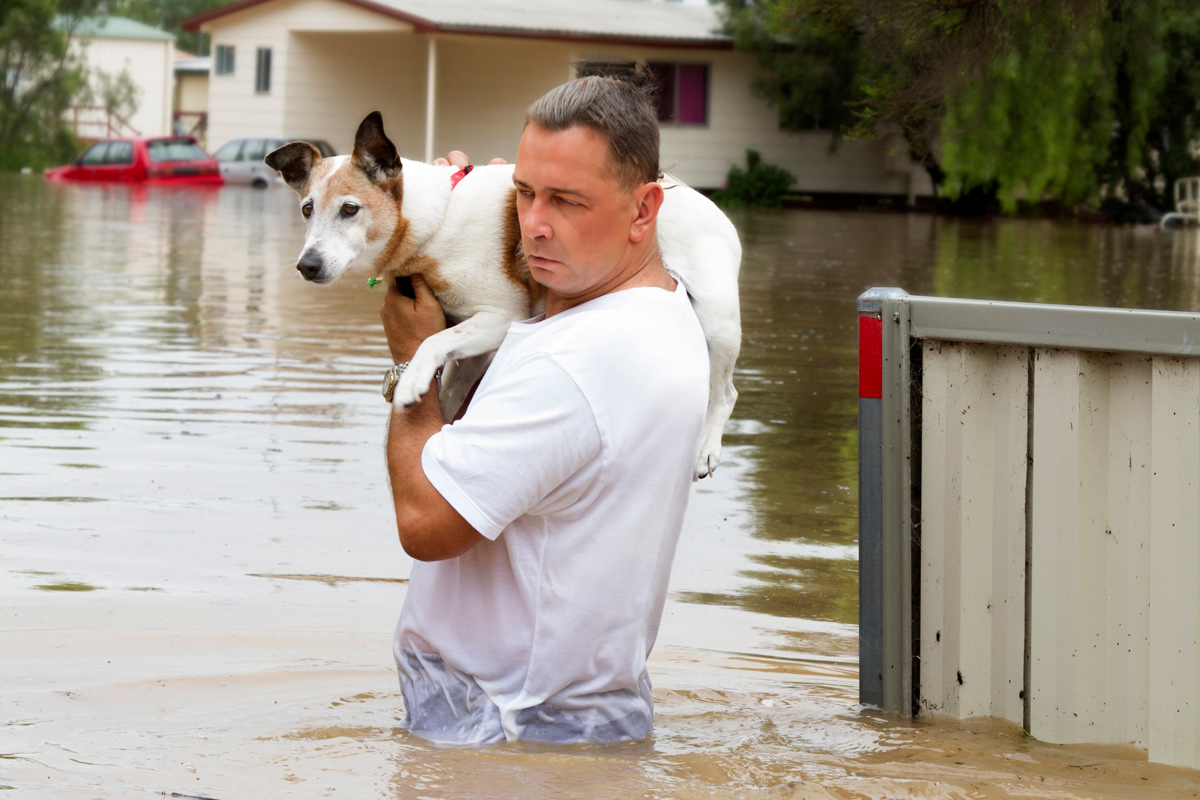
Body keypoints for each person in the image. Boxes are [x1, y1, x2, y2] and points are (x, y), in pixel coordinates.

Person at [378, 66, 710, 744]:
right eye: (523, 193)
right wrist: (464, 232)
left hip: (500, 733)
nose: (534, 225)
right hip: (589, 714)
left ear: (645, 210)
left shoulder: (574, 362)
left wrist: (411, 365)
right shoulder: (667, 311)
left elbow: (425, 522)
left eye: (567, 202)